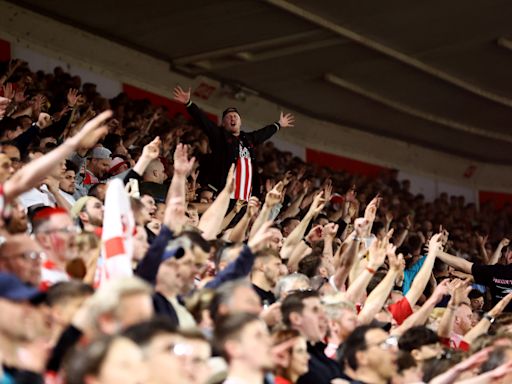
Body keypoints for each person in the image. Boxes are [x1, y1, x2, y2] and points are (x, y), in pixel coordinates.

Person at [173, 85, 295, 199]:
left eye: (235, 116)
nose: (233, 118)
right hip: (223, 190)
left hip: (244, 193)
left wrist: (278, 124)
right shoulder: (219, 136)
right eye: (229, 117)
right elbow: (204, 121)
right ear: (223, 124)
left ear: (240, 122)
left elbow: (263, 133)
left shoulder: (248, 139)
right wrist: (189, 104)